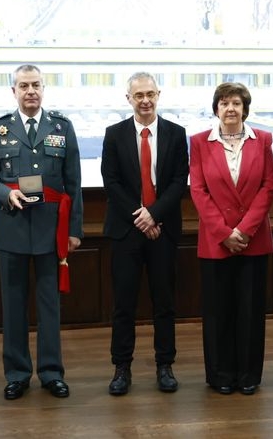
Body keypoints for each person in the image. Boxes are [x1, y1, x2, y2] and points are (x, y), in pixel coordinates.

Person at [0, 64, 83, 400]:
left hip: (51, 230)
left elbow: (74, 183)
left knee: (50, 307)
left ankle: (51, 373)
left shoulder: (62, 127)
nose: (31, 91)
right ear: (14, 91)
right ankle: (17, 374)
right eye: (24, 86)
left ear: (43, 89)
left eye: (36, 85)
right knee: (13, 306)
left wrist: (74, 230)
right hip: (12, 227)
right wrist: (5, 194)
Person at [100, 71, 189, 395]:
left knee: (164, 303)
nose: (145, 100)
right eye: (139, 95)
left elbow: (179, 181)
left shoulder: (176, 133)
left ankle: (165, 366)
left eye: (150, 94)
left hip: (163, 230)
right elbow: (111, 181)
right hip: (127, 230)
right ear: (129, 99)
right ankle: (121, 368)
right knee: (123, 304)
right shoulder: (114, 134)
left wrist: (154, 215)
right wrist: (141, 216)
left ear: (158, 95)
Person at [189, 82, 273, 395]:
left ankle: (249, 374)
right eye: (224, 103)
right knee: (218, 311)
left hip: (254, 238)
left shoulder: (263, 139)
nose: (230, 108)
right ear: (216, 109)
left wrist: (244, 230)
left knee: (251, 310)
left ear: (245, 109)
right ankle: (220, 375)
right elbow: (198, 190)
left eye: (236, 103)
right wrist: (225, 233)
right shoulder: (199, 142)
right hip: (216, 240)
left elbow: (269, 187)